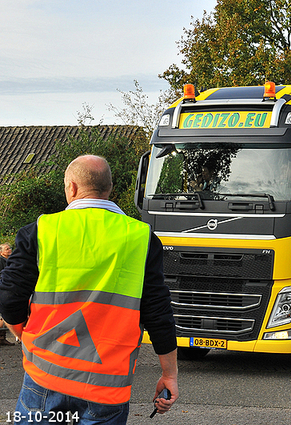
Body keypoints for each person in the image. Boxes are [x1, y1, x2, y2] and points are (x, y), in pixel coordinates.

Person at [0, 155, 178, 424]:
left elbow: (9, 295)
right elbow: (158, 311)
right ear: (109, 189)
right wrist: (169, 375)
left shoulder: (41, 230)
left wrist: (21, 334)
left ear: (71, 188)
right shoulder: (141, 238)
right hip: (107, 385)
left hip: (46, 375)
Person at [0, 243, 14, 345]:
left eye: (10, 248)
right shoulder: (1, 261)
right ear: (1, 252)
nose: (9, 250)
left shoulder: (11, 260)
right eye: (7, 249)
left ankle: (2, 337)